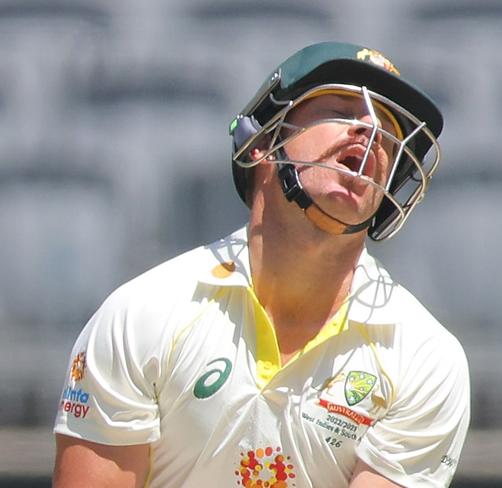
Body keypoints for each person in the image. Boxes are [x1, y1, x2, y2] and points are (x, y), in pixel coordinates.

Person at [53, 41, 470, 488]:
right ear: (261, 142)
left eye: (388, 131)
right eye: (342, 109)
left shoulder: (425, 357)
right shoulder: (142, 315)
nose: (369, 131)